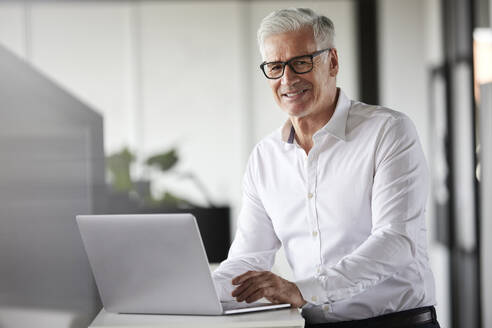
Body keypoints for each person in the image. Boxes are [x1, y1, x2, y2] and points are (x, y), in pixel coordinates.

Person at [212, 8, 440, 328]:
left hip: (396, 322)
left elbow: (396, 240)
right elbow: (249, 258)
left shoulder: (388, 131)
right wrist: (200, 290)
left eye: (301, 62)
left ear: (332, 62)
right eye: (276, 67)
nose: (287, 80)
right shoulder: (265, 157)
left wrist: (303, 290)